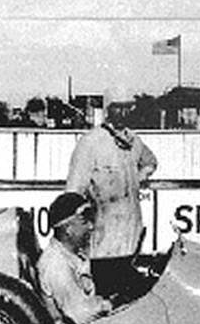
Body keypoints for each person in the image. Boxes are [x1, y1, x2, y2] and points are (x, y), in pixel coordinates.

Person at [65, 92, 157, 299]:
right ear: (107, 110)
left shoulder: (134, 141)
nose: (123, 112)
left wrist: (137, 178)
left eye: (128, 107)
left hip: (131, 237)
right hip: (103, 242)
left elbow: (151, 162)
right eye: (117, 107)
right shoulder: (90, 143)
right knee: (104, 296)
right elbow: (73, 192)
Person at [37, 192, 112, 324]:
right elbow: (80, 314)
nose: (91, 227)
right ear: (68, 229)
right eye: (84, 222)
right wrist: (110, 304)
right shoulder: (56, 264)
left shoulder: (72, 255)